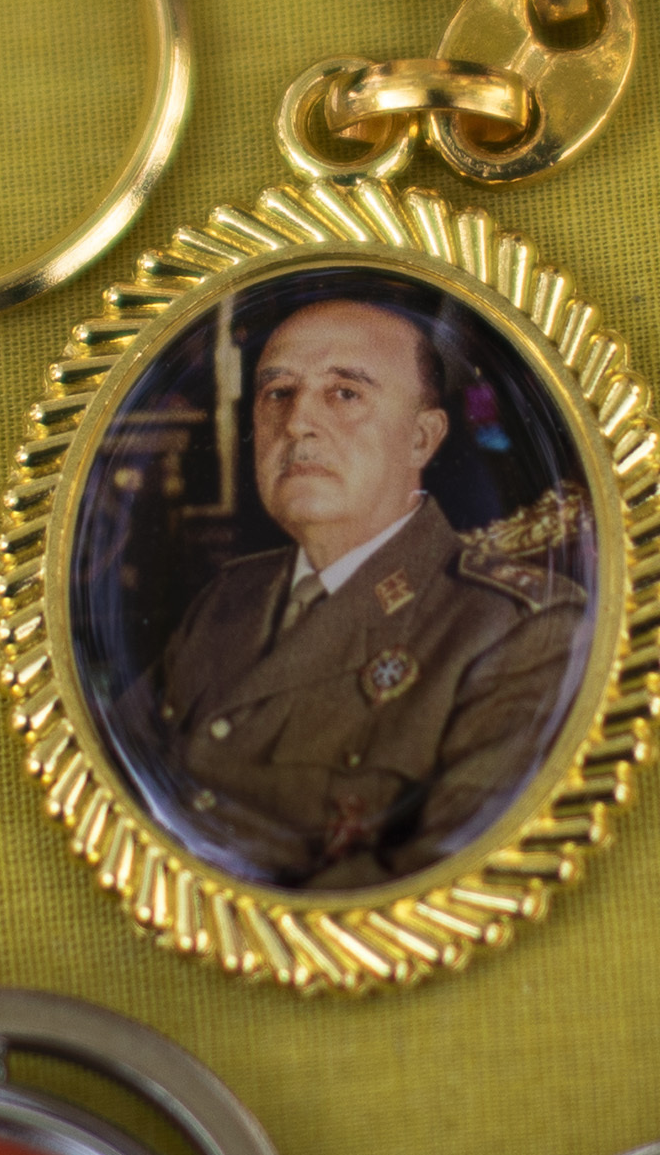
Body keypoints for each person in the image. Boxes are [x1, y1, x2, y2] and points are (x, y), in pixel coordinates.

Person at [114, 292, 585, 890]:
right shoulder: (229, 599)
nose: (298, 422)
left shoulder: (520, 630)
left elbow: (448, 878)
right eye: (277, 393)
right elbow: (111, 773)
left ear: (421, 438)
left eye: (346, 393)